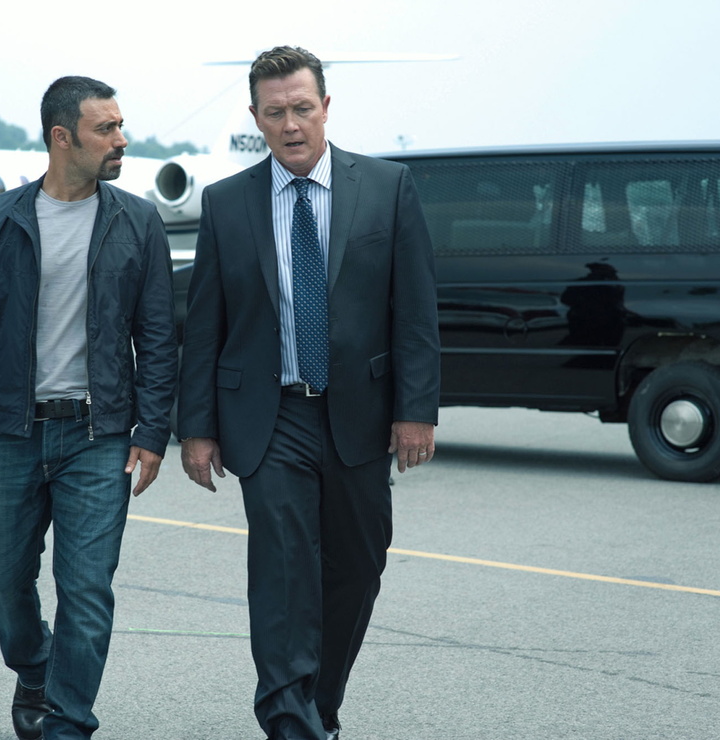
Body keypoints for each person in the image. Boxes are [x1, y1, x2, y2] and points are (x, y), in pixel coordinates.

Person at [177, 46, 441, 740]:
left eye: (301, 108)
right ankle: (289, 722)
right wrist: (196, 427)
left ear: (326, 107)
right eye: (275, 112)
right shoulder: (226, 203)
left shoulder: (387, 187)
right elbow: (204, 325)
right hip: (269, 417)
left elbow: (415, 311)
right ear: (255, 117)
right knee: (284, 570)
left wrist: (416, 411)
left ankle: (319, 706)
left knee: (358, 566)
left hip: (360, 413)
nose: (290, 124)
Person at [0, 76, 178, 740]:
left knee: (87, 589)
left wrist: (152, 430)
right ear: (62, 137)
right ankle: (35, 666)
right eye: (106, 129)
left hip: (99, 437)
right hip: (11, 432)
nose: (121, 140)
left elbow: (158, 337)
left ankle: (69, 722)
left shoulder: (138, 220)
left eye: (120, 126)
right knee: (2, 578)